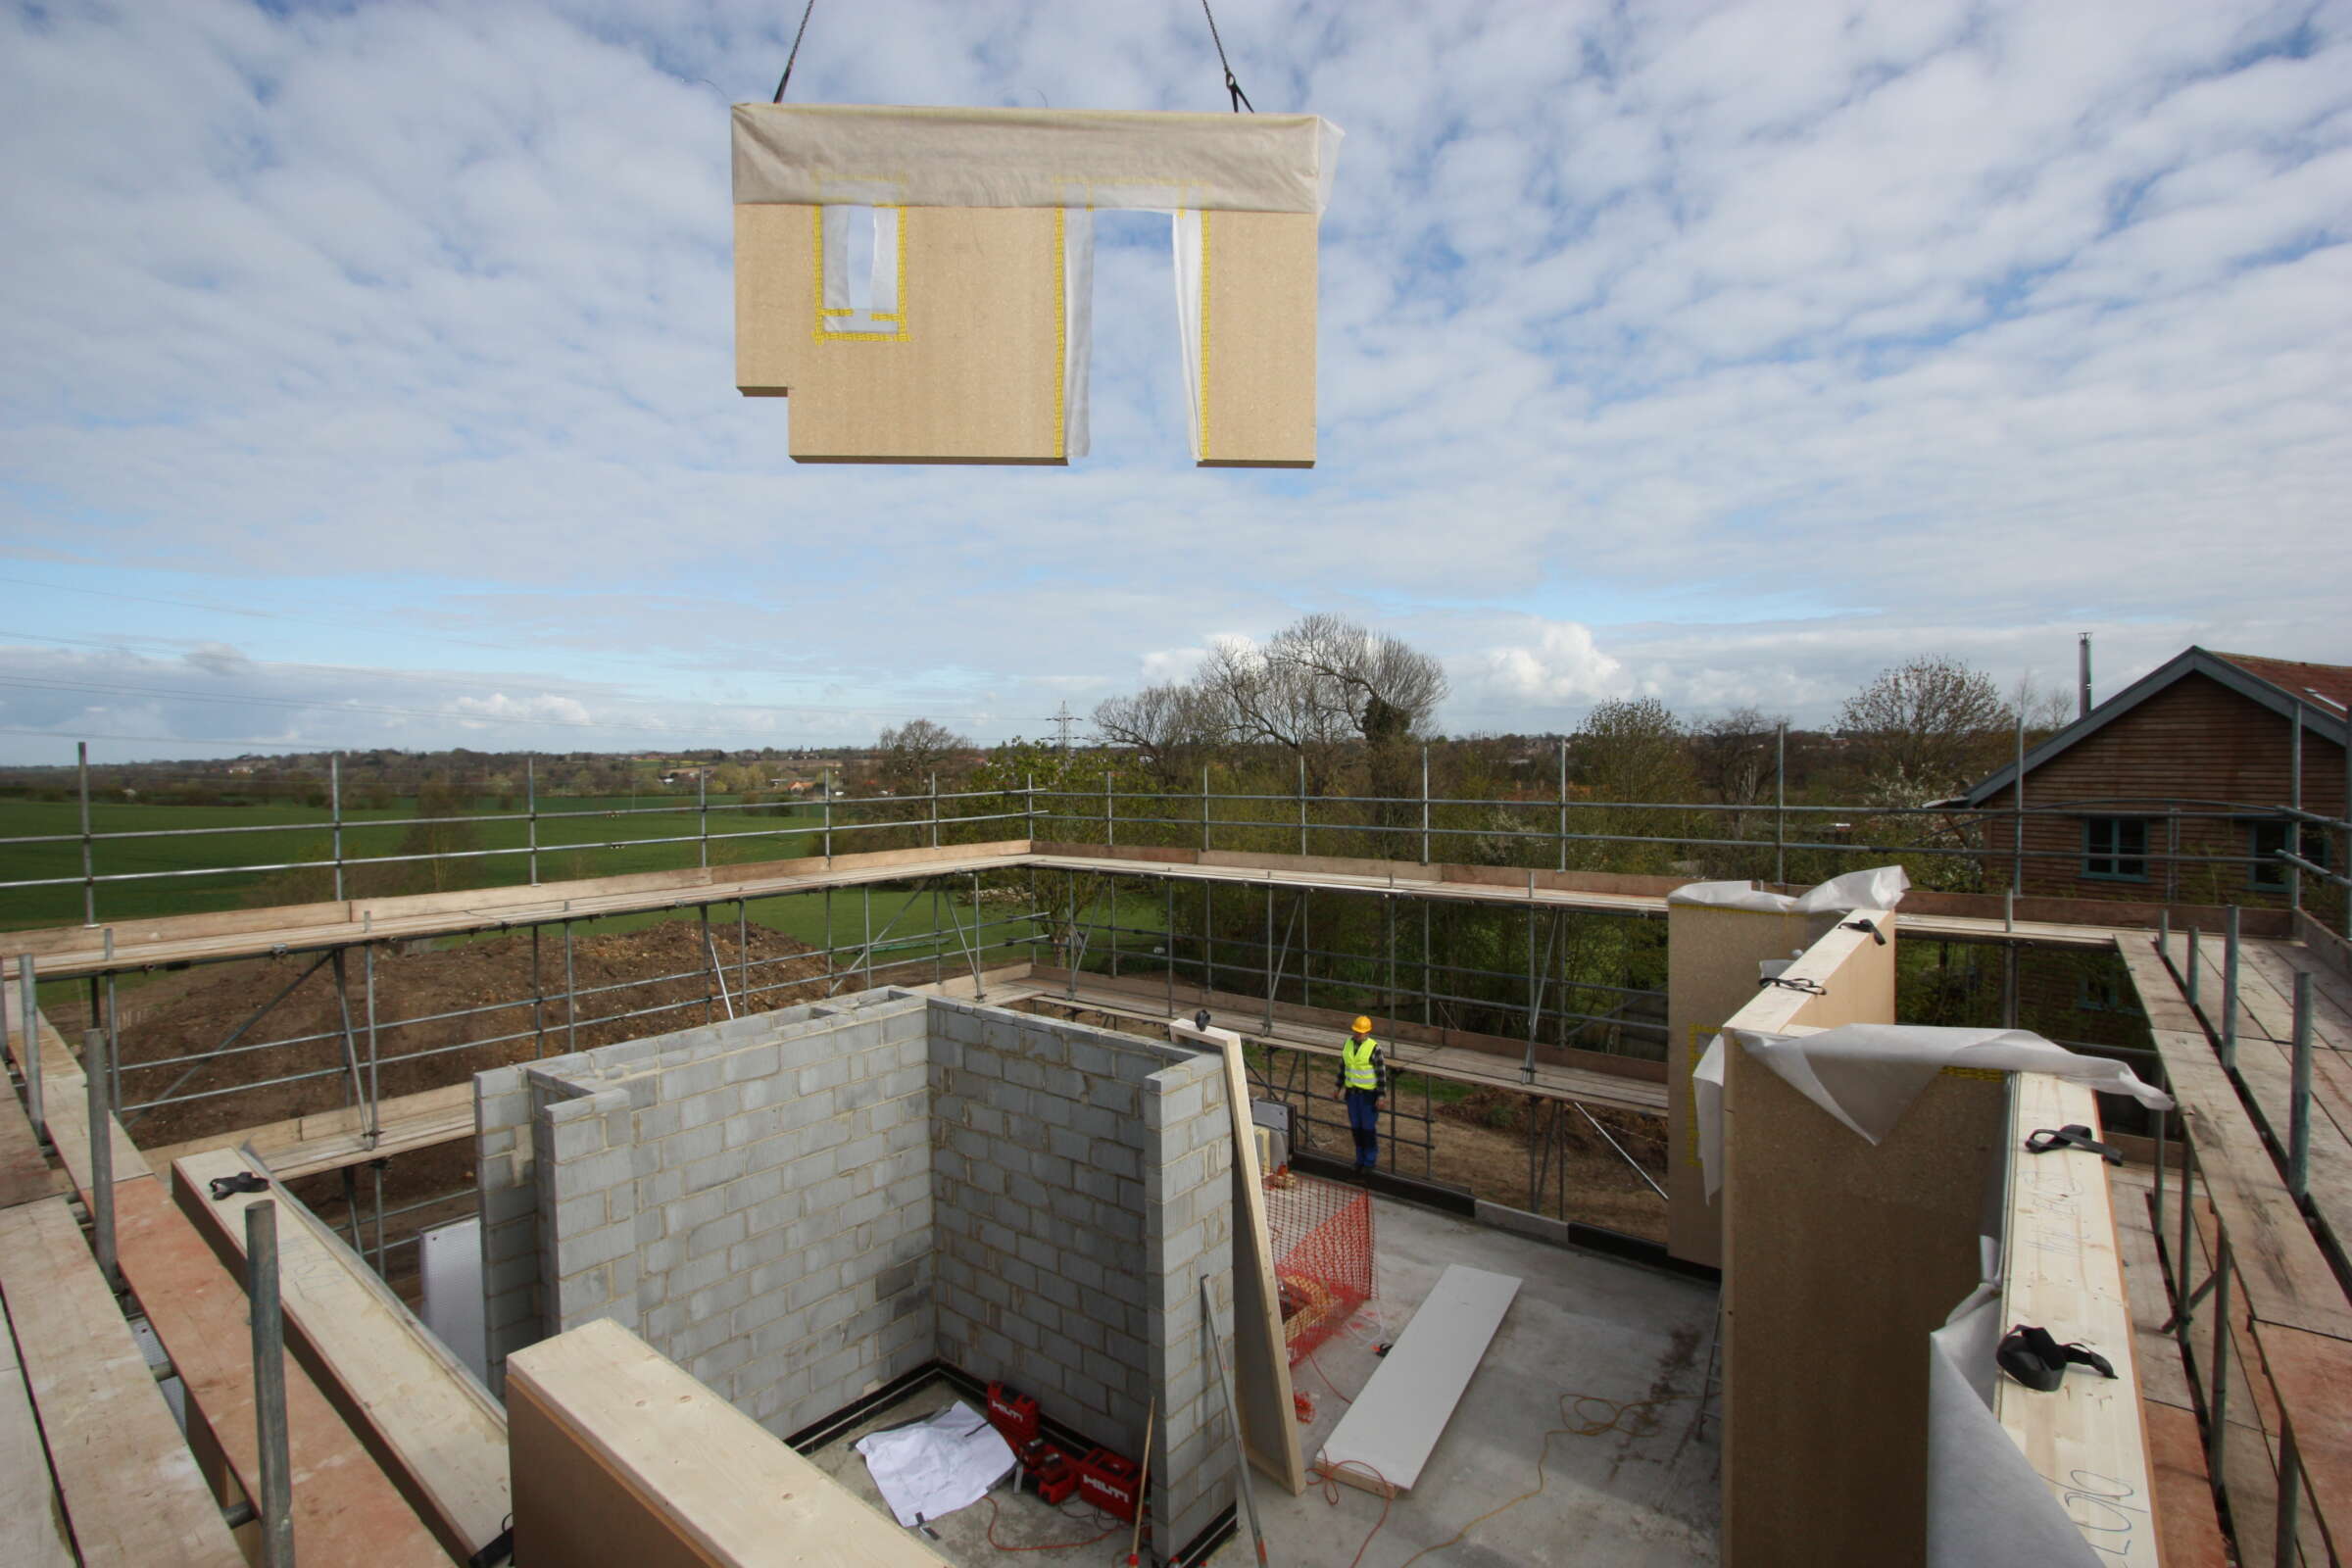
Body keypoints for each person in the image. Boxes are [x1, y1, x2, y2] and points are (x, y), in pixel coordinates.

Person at [1338, 1015, 1385, 1176]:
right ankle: (1359, 1160)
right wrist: (1338, 1087)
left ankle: (1369, 1162)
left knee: (1368, 1129)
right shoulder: (1348, 1044)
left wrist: (1381, 1096)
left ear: (1367, 1032)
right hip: (1352, 1094)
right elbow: (1343, 1067)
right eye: (1356, 1031)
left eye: (1361, 1032)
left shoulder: (1374, 1048)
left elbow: (1381, 1074)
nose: (1358, 1035)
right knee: (1356, 1129)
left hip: (1368, 1096)